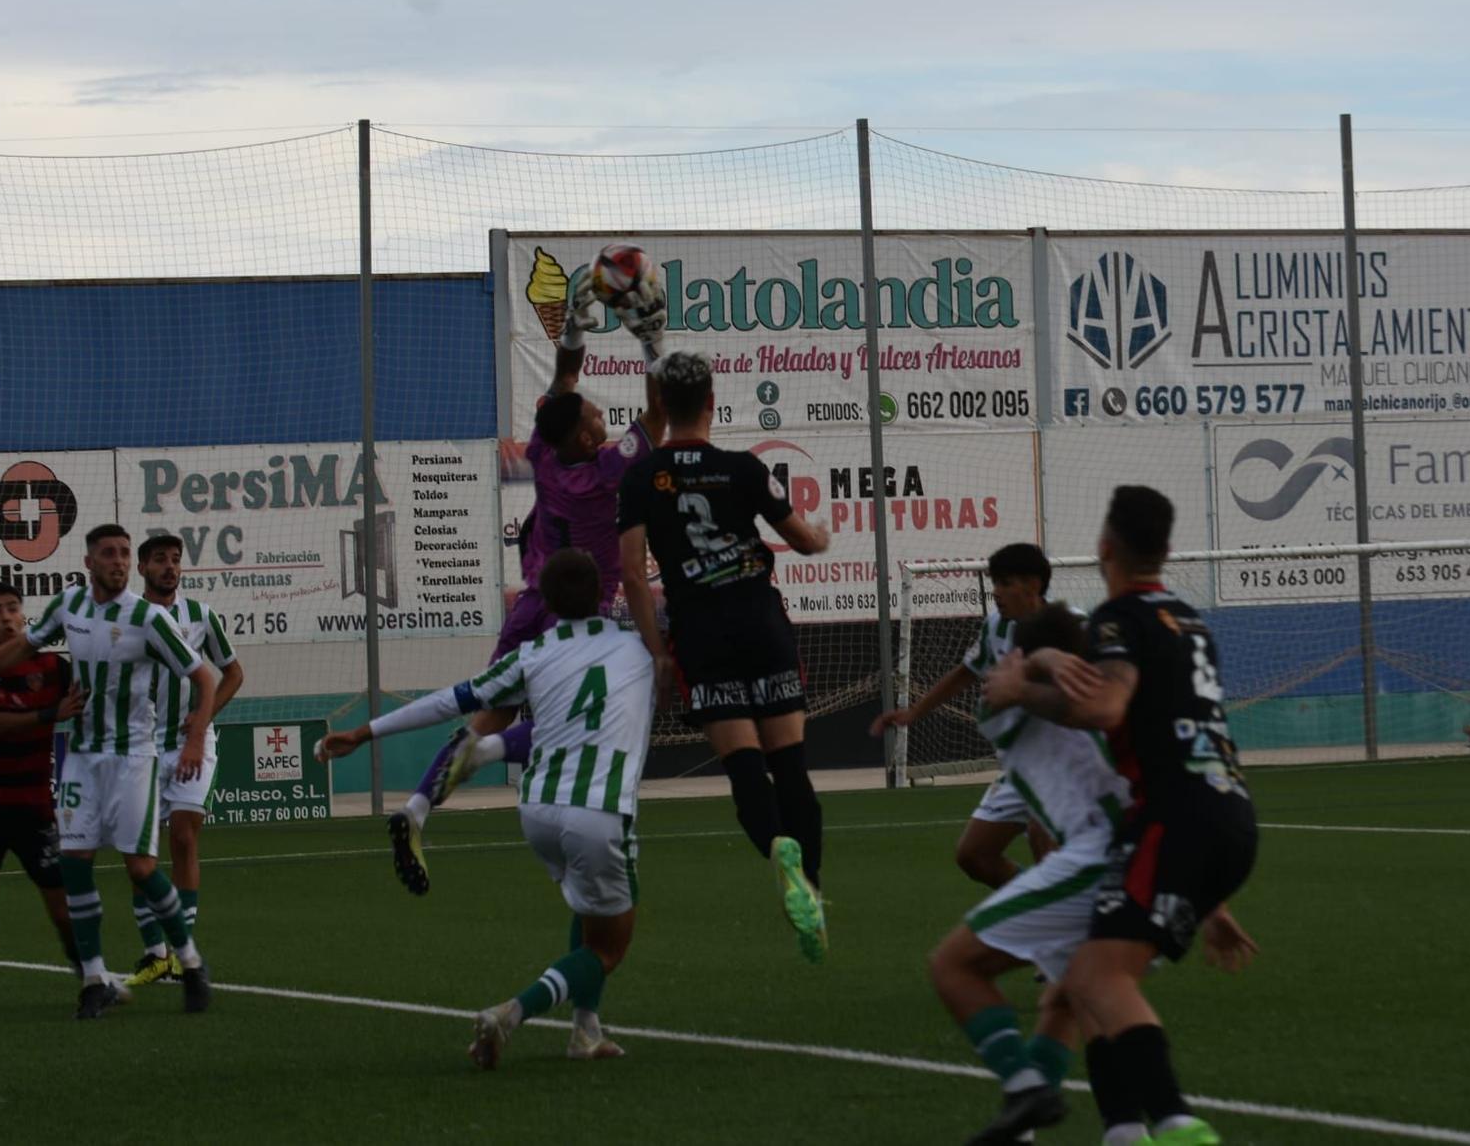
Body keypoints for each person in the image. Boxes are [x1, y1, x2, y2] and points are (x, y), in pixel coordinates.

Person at [986, 486, 1257, 1145]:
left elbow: (1106, 709)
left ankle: (1175, 1119)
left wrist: (1024, 688)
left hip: (1171, 816)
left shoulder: (1118, 618)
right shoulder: (1190, 619)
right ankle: (1123, 1131)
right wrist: (1213, 901)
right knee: (1087, 984)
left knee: (1096, 978)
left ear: (1106, 546)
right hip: (1230, 811)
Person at [392, 244, 667, 896]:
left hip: (529, 607)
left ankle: (416, 808)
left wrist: (574, 329)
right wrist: (652, 341)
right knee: (564, 723)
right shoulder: (604, 471)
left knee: (487, 713)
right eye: (599, 416)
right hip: (578, 616)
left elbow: (563, 387)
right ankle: (547, 800)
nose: (605, 415)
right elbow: (657, 415)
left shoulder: (545, 452)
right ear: (584, 436)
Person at [319, 550, 655, 1064]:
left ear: (545, 602)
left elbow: (448, 701)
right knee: (608, 949)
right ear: (604, 594)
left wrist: (366, 731)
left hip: (537, 809)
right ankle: (511, 1013)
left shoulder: (535, 651)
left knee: (587, 906)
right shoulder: (637, 646)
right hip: (599, 808)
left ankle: (585, 1031)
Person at [0, 523, 220, 1019]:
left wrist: (196, 734)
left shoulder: (148, 618)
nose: (119, 561)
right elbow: (24, 647)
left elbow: (204, 676)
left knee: (141, 867)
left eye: (125, 553)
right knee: (74, 865)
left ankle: (191, 962)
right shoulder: (70, 606)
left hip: (134, 757)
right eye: (109, 553)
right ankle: (92, 979)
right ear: (89, 562)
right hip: (83, 759)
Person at [617, 350, 832, 961]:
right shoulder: (742, 468)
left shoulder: (640, 478)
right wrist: (821, 535)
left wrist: (659, 653)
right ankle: (811, 895)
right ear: (713, 402)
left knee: (744, 771)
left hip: (702, 634)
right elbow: (803, 541)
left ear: (660, 407)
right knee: (790, 768)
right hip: (760, 623)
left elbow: (633, 574)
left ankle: (775, 850)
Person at [928, 603, 1143, 1146]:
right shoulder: (1110, 706)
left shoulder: (1005, 712)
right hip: (1145, 864)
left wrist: (1028, 666)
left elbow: (1007, 694)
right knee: (1068, 999)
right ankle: (1119, 1131)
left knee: (954, 966)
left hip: (1100, 859)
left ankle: (1025, 1089)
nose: (993, 675)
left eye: (1010, 658)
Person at [873, 543, 1061, 888]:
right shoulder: (995, 628)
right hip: (1021, 768)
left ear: (1033, 586)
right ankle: (1039, 899)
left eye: (1005, 584)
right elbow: (966, 672)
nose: (997, 593)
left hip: (1062, 766)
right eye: (995, 583)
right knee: (974, 856)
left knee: (1042, 835)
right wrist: (915, 712)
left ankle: (1056, 918)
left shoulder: (1070, 627)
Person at [0, 579, 87, 1011]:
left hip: (34, 807)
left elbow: (93, 702)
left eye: (12, 608)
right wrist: (50, 714)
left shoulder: (55, 668)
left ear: (24, 617)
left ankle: (90, 977)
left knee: (60, 902)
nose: (5, 617)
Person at [125, 534, 245, 987]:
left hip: (192, 743)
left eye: (175, 560)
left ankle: (180, 952)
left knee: (183, 837)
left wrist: (202, 720)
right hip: (140, 746)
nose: (170, 568)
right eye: (160, 560)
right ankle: (153, 952)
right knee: (139, 851)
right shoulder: (130, 617)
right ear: (142, 567)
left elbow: (232, 673)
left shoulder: (201, 616)